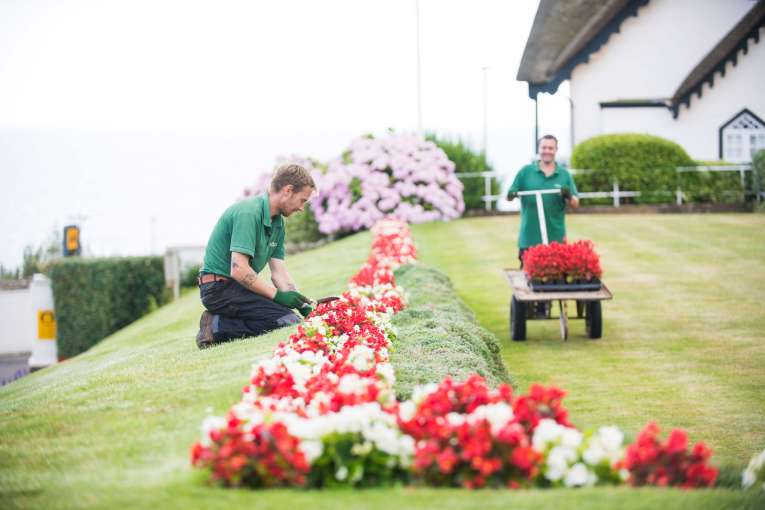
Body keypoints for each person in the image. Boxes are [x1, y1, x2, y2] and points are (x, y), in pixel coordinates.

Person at [195, 164, 316, 349]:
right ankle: (217, 326)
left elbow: (279, 273)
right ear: (288, 191)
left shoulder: (278, 223)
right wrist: (277, 296)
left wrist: (301, 304)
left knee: (292, 318)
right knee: (287, 320)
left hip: (239, 288)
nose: (301, 208)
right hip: (218, 288)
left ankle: (219, 321)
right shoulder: (249, 213)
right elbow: (238, 269)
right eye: (302, 200)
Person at [507, 134, 580, 268]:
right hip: (529, 238)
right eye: (544, 147)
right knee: (527, 279)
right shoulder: (525, 172)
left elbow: (576, 203)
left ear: (556, 150)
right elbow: (510, 195)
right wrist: (511, 194)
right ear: (539, 149)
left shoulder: (564, 174)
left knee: (556, 278)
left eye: (550, 148)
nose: (547, 151)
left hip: (556, 238)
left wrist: (568, 195)